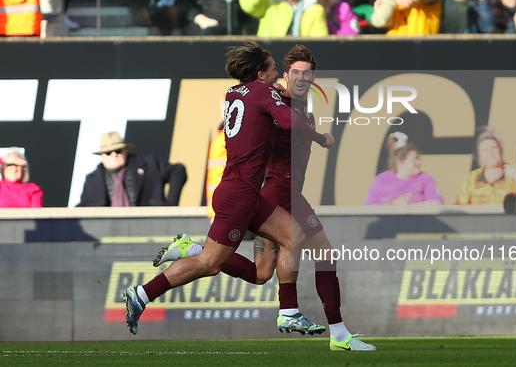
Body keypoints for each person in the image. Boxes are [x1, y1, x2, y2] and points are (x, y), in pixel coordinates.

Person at [153, 44, 376, 351]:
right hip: (278, 192)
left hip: (286, 191)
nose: (302, 78)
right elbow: (250, 109)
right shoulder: (275, 98)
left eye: (308, 73)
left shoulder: (301, 105)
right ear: (284, 76)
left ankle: (192, 249)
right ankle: (335, 333)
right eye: (295, 72)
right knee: (325, 256)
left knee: (260, 274)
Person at [122, 40, 334, 337]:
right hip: (239, 195)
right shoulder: (263, 92)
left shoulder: (235, 92)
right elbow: (288, 121)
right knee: (209, 263)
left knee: (288, 242)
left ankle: (288, 312)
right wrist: (320, 137)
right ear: (261, 74)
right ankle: (143, 294)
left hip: (242, 191)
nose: (277, 73)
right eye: (274, 68)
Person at [77, 132, 187, 207]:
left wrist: (170, 206)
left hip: (148, 228)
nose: (114, 155)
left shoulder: (148, 166)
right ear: (101, 156)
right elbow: (83, 209)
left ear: (126, 151)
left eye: (118, 150)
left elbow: (178, 171)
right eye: (108, 152)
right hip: (108, 233)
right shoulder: (92, 180)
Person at [457, 126, 516, 205]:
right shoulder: (472, 178)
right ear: (479, 156)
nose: (490, 152)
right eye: (485, 150)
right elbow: (460, 207)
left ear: (501, 150)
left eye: (494, 148)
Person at [365, 132, 443, 205]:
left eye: (418, 158)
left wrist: (410, 206)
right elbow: (369, 208)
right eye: (414, 159)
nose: (418, 162)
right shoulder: (381, 180)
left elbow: (437, 203)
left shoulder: (425, 178)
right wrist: (392, 207)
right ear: (400, 162)